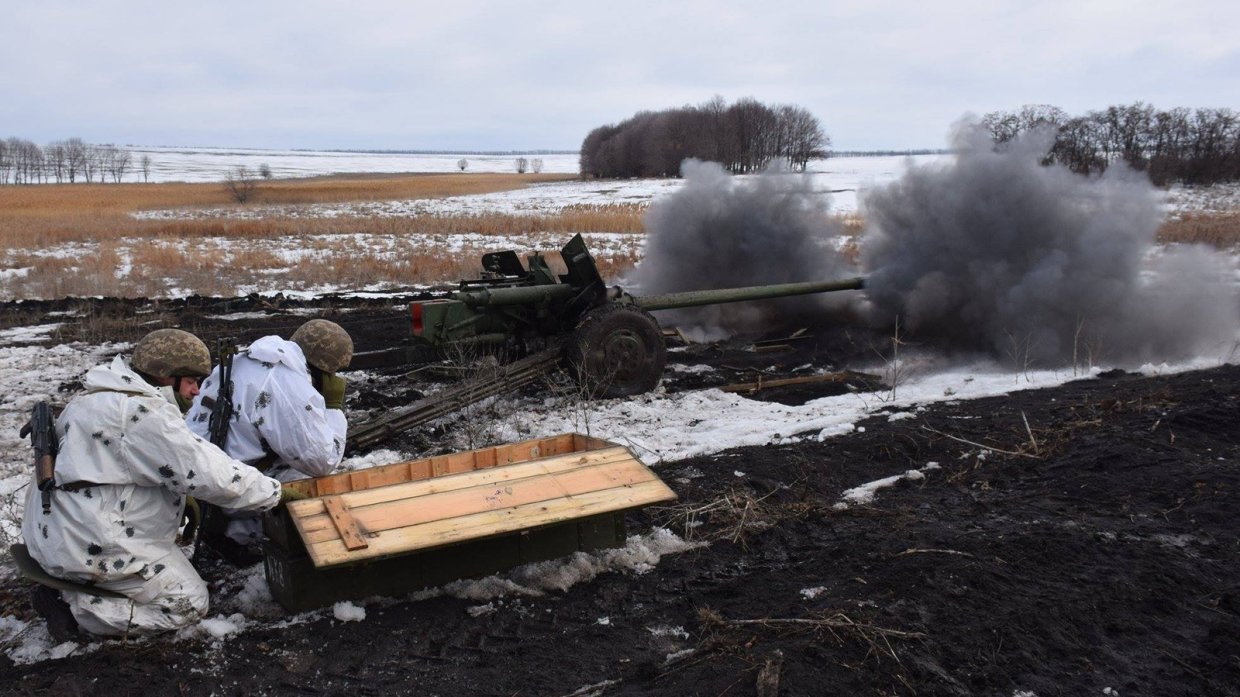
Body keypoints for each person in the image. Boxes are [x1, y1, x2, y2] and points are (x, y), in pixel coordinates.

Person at [20, 329, 284, 640]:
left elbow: (120, 467)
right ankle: (78, 610)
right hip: (90, 543)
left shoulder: (98, 398)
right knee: (188, 603)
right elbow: (213, 474)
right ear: (166, 376)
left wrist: (179, 499)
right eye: (191, 381)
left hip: (64, 531)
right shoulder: (141, 414)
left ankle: (81, 588)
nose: (197, 392)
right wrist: (276, 493)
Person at [185, 319, 352, 562]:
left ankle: (227, 530)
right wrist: (334, 408)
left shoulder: (245, 360)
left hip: (207, 482)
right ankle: (245, 537)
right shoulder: (285, 383)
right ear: (326, 370)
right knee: (319, 486)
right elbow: (322, 460)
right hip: (233, 491)